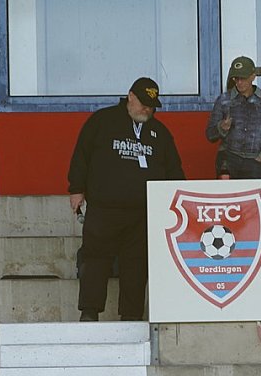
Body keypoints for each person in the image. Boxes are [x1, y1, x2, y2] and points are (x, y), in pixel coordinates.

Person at [67, 76, 183, 322]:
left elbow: (174, 170)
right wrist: (76, 189)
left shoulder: (160, 132)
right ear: (130, 96)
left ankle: (131, 316)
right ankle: (89, 312)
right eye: (143, 104)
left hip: (143, 212)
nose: (147, 110)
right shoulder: (102, 121)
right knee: (95, 260)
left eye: (152, 106)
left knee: (137, 266)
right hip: (104, 209)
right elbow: (81, 156)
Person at [205, 55, 261, 178]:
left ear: (253, 77)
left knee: (253, 190)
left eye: (243, 78)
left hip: (254, 159)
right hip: (228, 158)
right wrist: (221, 127)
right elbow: (210, 135)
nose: (239, 82)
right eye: (236, 78)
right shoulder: (223, 100)